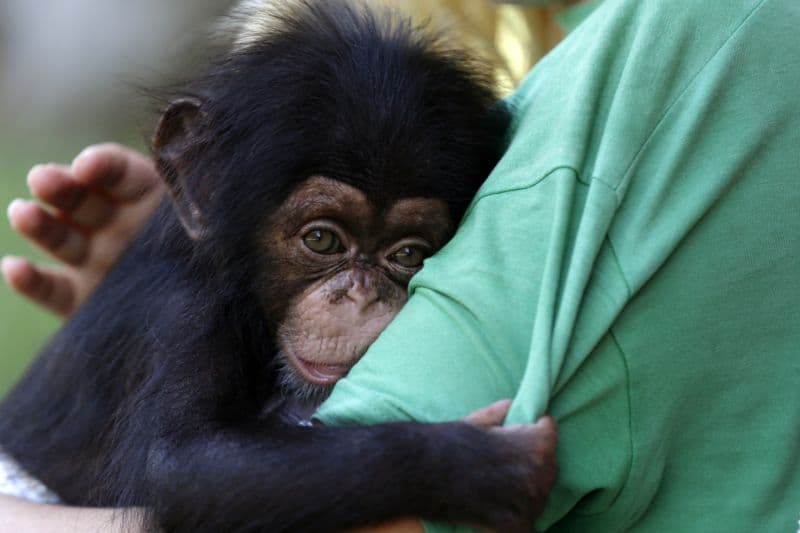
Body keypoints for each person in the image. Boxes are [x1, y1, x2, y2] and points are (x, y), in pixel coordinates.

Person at [4, 0, 800, 531]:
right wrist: (424, 461)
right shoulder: (190, 293)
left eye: (408, 253)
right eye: (321, 240)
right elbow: (176, 478)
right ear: (198, 183)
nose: (360, 296)